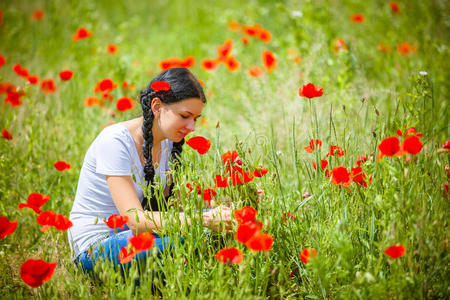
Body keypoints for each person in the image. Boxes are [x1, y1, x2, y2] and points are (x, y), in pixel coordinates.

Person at [67, 67, 232, 274]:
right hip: (99, 247)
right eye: (185, 116)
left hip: (141, 239)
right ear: (157, 106)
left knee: (228, 226)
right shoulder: (115, 141)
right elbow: (136, 221)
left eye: (196, 119)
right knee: (195, 235)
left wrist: (226, 206)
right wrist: (205, 219)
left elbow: (174, 205)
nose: (192, 127)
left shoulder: (169, 142)